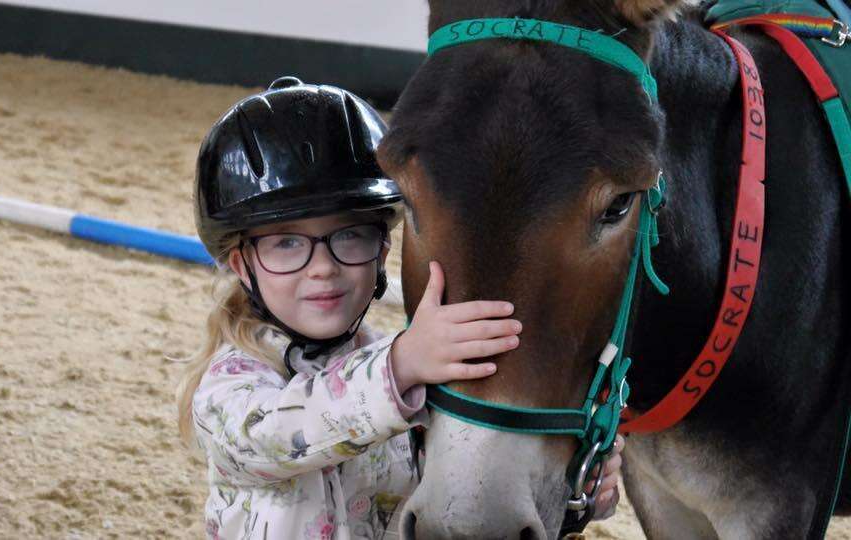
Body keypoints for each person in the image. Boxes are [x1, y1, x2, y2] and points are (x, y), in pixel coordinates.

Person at [176, 77, 623, 539]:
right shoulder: (228, 388)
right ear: (242, 265)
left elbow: (453, 496)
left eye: (350, 235)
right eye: (287, 243)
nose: (323, 267)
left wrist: (575, 491)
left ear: (384, 246)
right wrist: (401, 365)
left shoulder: (406, 367)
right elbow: (276, 439)